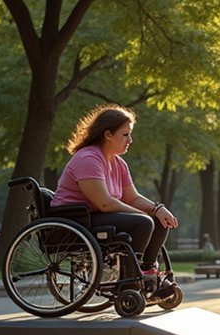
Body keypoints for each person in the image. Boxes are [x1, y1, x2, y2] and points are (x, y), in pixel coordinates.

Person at [51, 104, 179, 297]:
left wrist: (157, 209)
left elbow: (132, 197)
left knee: (159, 221)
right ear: (108, 134)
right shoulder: (88, 159)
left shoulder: (118, 163)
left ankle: (147, 272)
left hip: (97, 216)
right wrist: (145, 215)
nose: (130, 140)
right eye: (125, 134)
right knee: (144, 222)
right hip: (77, 219)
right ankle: (129, 281)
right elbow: (104, 203)